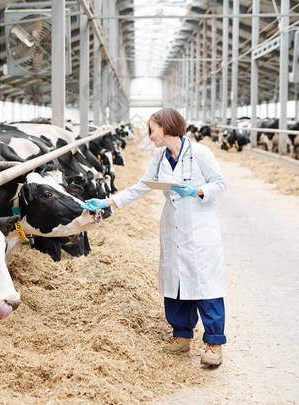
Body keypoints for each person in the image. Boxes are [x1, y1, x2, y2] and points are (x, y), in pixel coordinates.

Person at [82, 108, 227, 366]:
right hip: (172, 226)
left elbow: (220, 184)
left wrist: (197, 191)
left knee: (206, 286)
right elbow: (141, 187)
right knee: (176, 285)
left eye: (152, 130)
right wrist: (108, 201)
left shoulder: (200, 153)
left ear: (167, 127)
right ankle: (181, 336)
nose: (149, 136)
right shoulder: (160, 158)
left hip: (199, 228)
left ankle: (213, 344)